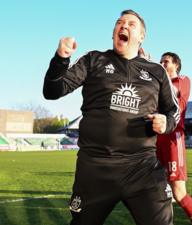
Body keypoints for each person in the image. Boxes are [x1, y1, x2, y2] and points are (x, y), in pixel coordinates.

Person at [43, 10, 179, 225]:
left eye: (131, 24)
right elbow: (52, 91)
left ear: (141, 36)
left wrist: (166, 122)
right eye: (119, 22)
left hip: (142, 168)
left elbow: (173, 111)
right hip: (95, 168)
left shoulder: (157, 72)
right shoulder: (93, 60)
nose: (123, 26)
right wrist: (61, 59)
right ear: (114, 32)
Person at [156, 52, 192, 225]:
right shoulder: (159, 84)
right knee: (160, 190)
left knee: (178, 192)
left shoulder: (182, 80)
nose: (162, 63)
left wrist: (154, 70)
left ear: (176, 64)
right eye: (160, 61)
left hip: (173, 138)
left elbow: (173, 91)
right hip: (157, 139)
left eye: (166, 61)